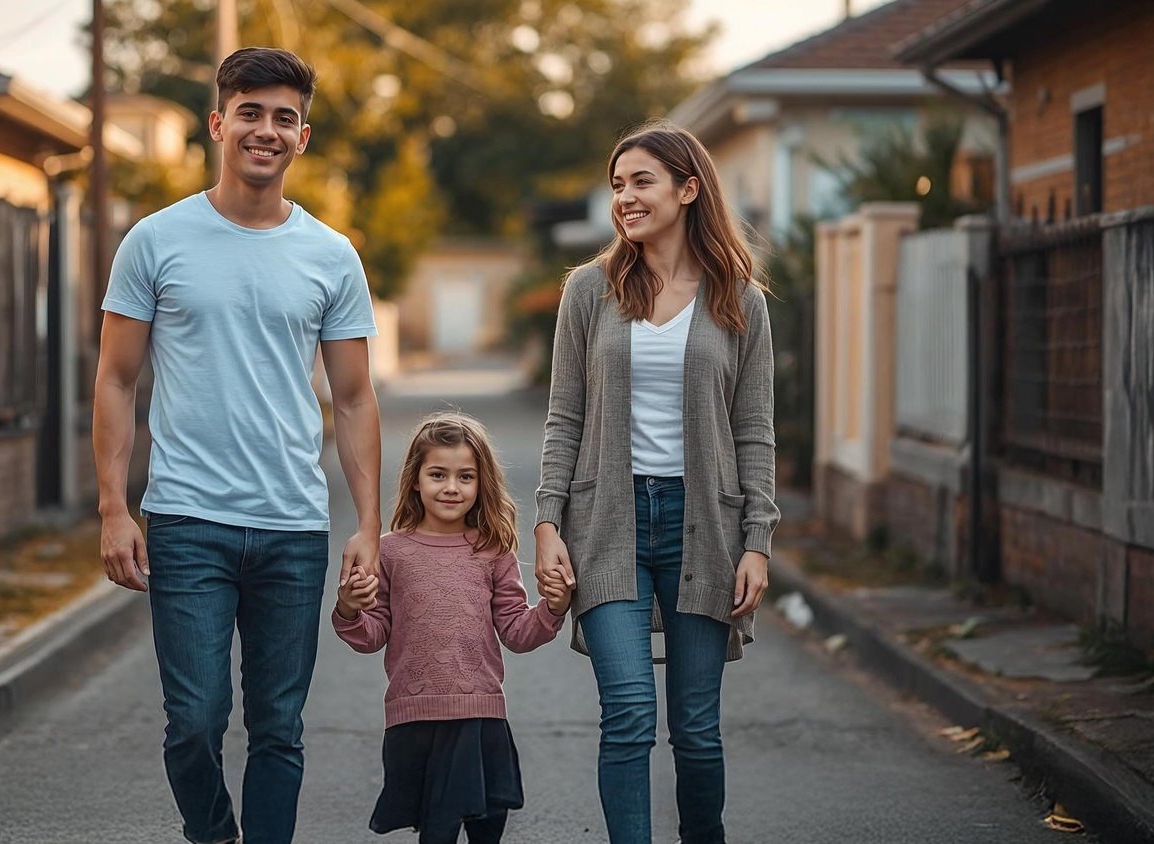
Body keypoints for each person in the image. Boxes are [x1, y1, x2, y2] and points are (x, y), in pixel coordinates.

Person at [91, 46, 383, 844]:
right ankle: (214, 833)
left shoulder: (330, 255)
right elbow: (115, 380)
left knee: (279, 728)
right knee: (193, 720)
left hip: (293, 524)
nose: (266, 129)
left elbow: (354, 398)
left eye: (283, 117)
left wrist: (368, 526)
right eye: (249, 112)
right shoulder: (156, 241)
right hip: (188, 519)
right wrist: (114, 510)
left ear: (303, 136)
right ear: (218, 123)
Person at [531, 119, 780, 844]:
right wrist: (548, 524)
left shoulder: (741, 301)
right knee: (630, 713)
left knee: (697, 730)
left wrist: (757, 541)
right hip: (607, 525)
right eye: (617, 185)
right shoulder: (589, 291)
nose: (625, 198)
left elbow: (755, 432)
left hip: (705, 526)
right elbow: (563, 418)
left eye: (641, 181)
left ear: (688, 188)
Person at [333, 412, 570, 844]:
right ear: (416, 479)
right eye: (438, 474)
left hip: (479, 716)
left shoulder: (493, 550)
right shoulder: (391, 552)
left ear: (481, 484)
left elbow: (517, 630)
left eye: (465, 477)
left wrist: (552, 608)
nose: (451, 487)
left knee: (488, 823)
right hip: (415, 718)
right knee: (437, 831)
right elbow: (372, 634)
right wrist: (349, 610)